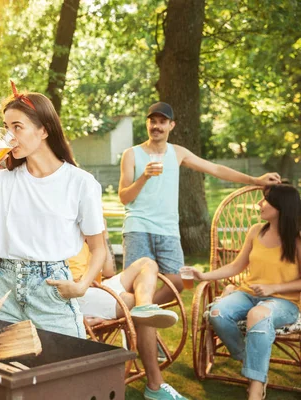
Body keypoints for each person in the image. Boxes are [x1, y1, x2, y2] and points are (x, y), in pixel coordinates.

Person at [0, 83, 106, 338]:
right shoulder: (1, 181)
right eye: (6, 127)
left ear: (44, 130)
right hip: (5, 290)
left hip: (51, 290)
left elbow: (98, 248)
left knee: (65, 370)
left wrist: (82, 286)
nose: (9, 137)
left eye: (17, 127)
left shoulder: (80, 183)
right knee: (7, 372)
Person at [118, 101, 281, 305]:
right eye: (152, 121)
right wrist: (144, 177)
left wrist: (255, 180)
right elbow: (124, 197)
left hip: (168, 228)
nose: (156, 126)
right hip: (138, 226)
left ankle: (138, 313)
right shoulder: (131, 154)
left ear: (171, 126)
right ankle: (141, 320)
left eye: (162, 122)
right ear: (146, 124)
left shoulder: (178, 152)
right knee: (137, 283)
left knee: (176, 283)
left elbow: (216, 169)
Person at [193, 184, 301, 400]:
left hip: (284, 302)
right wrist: (204, 276)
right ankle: (251, 361)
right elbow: (236, 266)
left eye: (265, 200)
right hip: (248, 294)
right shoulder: (255, 231)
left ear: (281, 207)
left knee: (257, 315)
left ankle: (255, 387)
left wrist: (273, 288)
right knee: (217, 313)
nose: (259, 204)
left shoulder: (298, 239)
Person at [70, 231, 185, 400]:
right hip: (77, 293)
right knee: (130, 301)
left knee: (147, 263)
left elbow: (109, 270)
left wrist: (102, 234)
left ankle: (145, 307)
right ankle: (155, 384)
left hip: (98, 286)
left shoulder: (89, 223)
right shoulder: (60, 223)